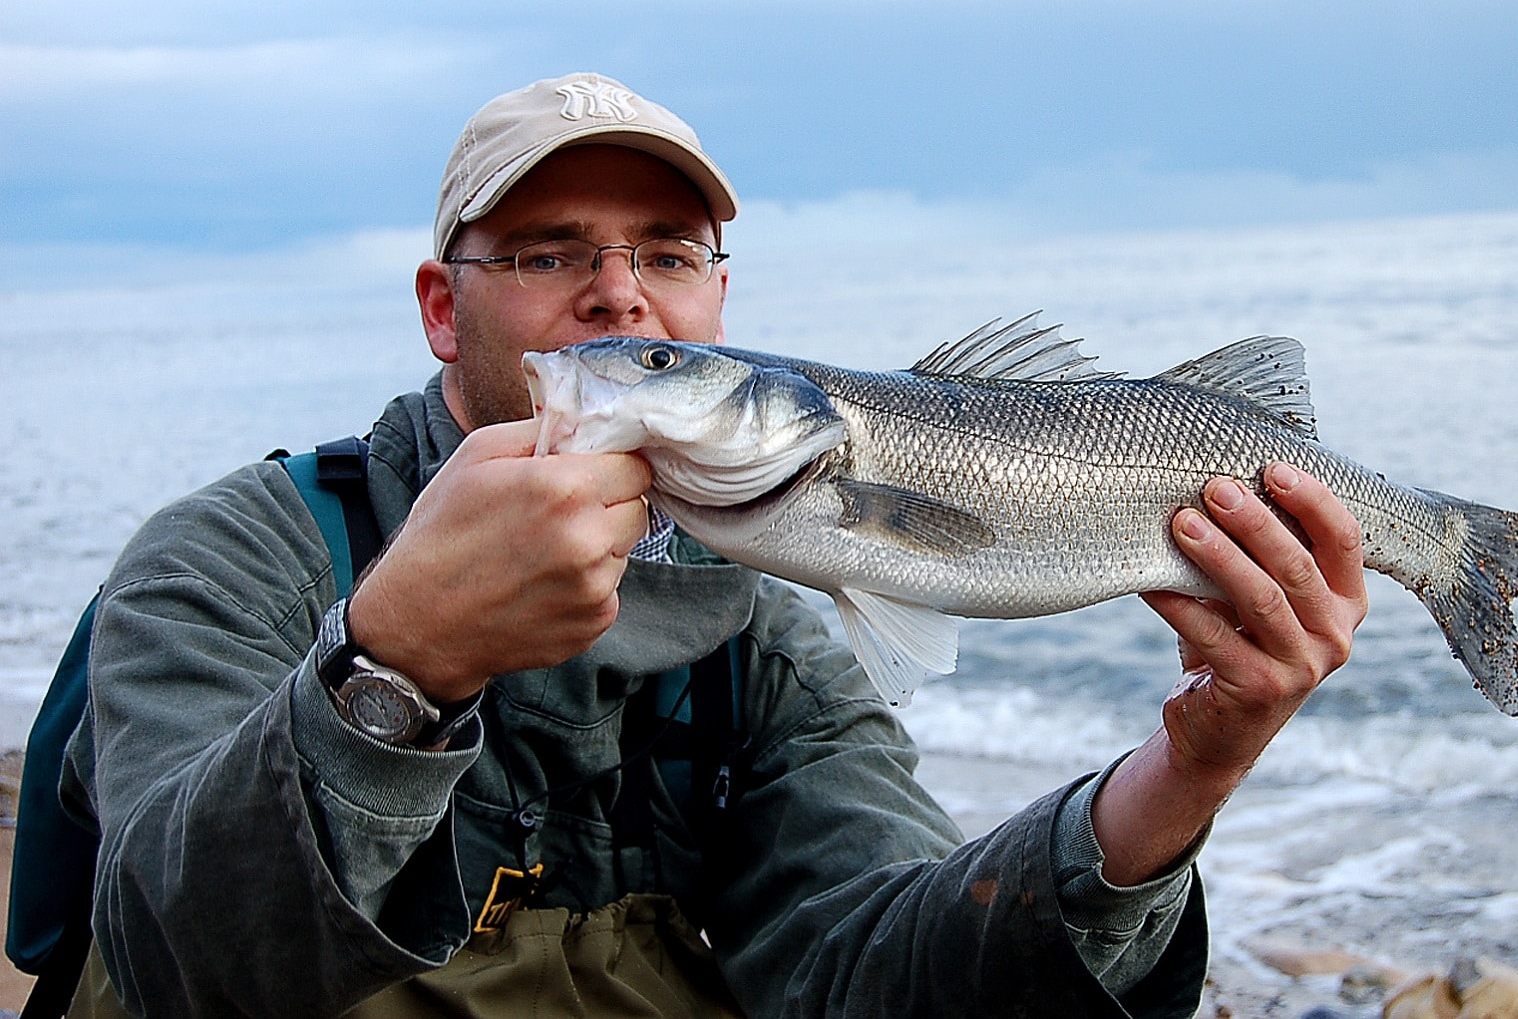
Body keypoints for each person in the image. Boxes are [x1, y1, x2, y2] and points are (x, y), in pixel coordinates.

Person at [62, 73, 1367, 1018]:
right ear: (441, 311)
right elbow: (181, 967)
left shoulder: (775, 615)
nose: (619, 292)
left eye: (668, 257)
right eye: (547, 250)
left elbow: (876, 973)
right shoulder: (227, 558)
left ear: (719, 306)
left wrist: (1183, 776)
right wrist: (397, 664)